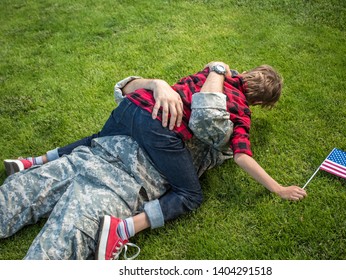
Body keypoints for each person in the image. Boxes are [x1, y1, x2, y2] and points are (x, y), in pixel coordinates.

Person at [1, 62, 307, 260]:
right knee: (36, 216)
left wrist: (213, 70)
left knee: (37, 208)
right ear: (261, 103)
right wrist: (277, 188)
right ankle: (124, 228)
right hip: (126, 168)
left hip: (116, 144)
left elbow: (127, 90)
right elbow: (216, 126)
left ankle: (37, 162)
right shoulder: (232, 112)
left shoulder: (202, 80)